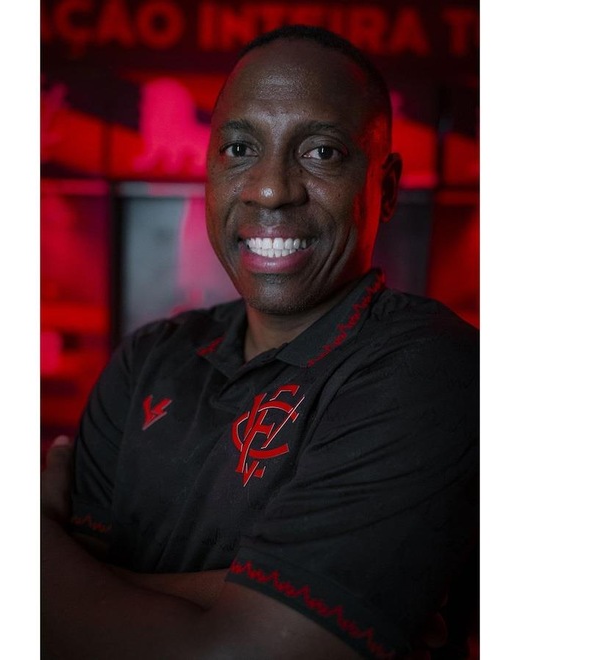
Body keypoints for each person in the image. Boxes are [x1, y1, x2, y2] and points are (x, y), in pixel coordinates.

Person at [41, 25, 479, 660]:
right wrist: (244, 597)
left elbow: (249, 652)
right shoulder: (147, 359)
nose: (271, 188)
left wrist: (36, 551)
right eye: (240, 148)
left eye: (322, 152)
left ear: (384, 189)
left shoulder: (432, 369)